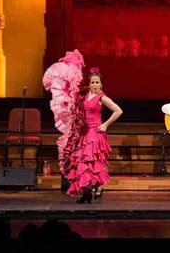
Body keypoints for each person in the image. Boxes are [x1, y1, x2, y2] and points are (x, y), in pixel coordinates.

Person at [43, 50, 122, 204]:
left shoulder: (102, 98)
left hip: (95, 132)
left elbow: (119, 110)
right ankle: (87, 191)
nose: (94, 85)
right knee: (81, 162)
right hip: (84, 132)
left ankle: (93, 190)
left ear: (101, 84)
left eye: (97, 82)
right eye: (92, 82)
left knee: (91, 163)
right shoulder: (85, 95)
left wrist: (105, 125)